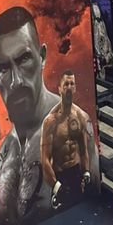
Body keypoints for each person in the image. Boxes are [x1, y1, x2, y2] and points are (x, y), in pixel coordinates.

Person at [0, 6, 59, 225]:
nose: (16, 81)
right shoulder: (5, 152)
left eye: (24, 59)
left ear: (42, 57)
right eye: (4, 69)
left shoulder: (71, 128)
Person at [40, 70, 92, 210]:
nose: (69, 87)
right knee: (61, 216)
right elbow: (45, 159)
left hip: (76, 172)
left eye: (72, 84)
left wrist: (86, 171)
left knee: (80, 211)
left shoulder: (80, 116)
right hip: (60, 175)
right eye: (66, 84)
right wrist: (56, 185)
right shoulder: (50, 121)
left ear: (75, 88)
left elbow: (83, 150)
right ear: (60, 89)